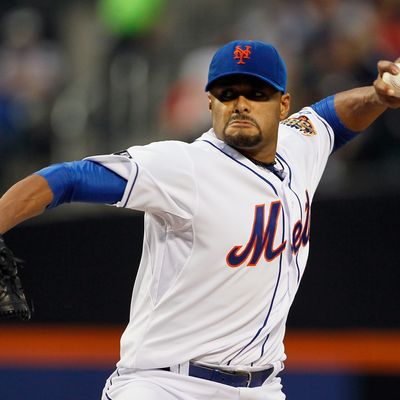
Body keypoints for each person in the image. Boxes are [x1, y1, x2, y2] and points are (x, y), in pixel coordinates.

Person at [0, 40, 399, 400]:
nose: (240, 103)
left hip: (262, 386)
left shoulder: (299, 145)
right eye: (227, 93)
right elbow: (67, 179)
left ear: (282, 105)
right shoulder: (183, 167)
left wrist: (378, 95)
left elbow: (332, 118)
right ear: (210, 102)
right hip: (164, 385)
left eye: (255, 93)